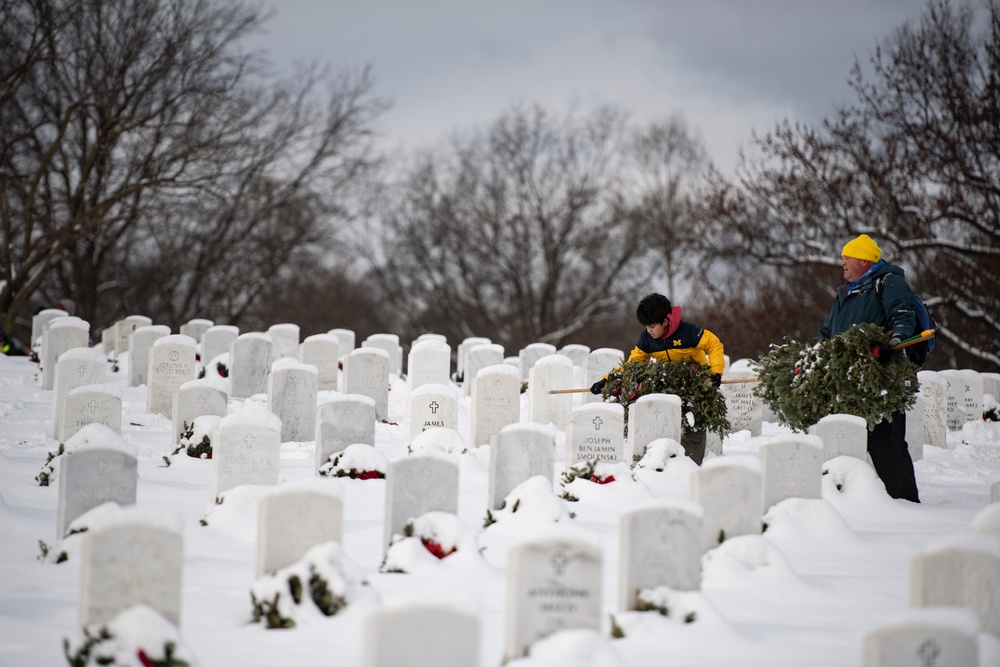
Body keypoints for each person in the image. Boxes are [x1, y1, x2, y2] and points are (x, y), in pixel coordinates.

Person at [818, 233, 920, 503]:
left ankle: (904, 502)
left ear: (864, 260)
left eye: (847, 257)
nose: (842, 262)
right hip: (850, 380)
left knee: (887, 442)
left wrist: (893, 344)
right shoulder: (844, 293)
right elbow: (827, 332)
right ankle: (861, 500)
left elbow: (902, 314)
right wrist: (816, 356)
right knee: (856, 439)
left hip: (882, 376)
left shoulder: (889, 283)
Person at [591, 292, 725, 464]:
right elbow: (633, 365)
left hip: (695, 384)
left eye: (652, 325)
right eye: (646, 326)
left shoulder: (689, 332)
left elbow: (714, 344)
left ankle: (691, 464)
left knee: (693, 422)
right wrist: (607, 381)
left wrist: (715, 373)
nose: (649, 330)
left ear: (665, 321)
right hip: (669, 384)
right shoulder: (647, 339)